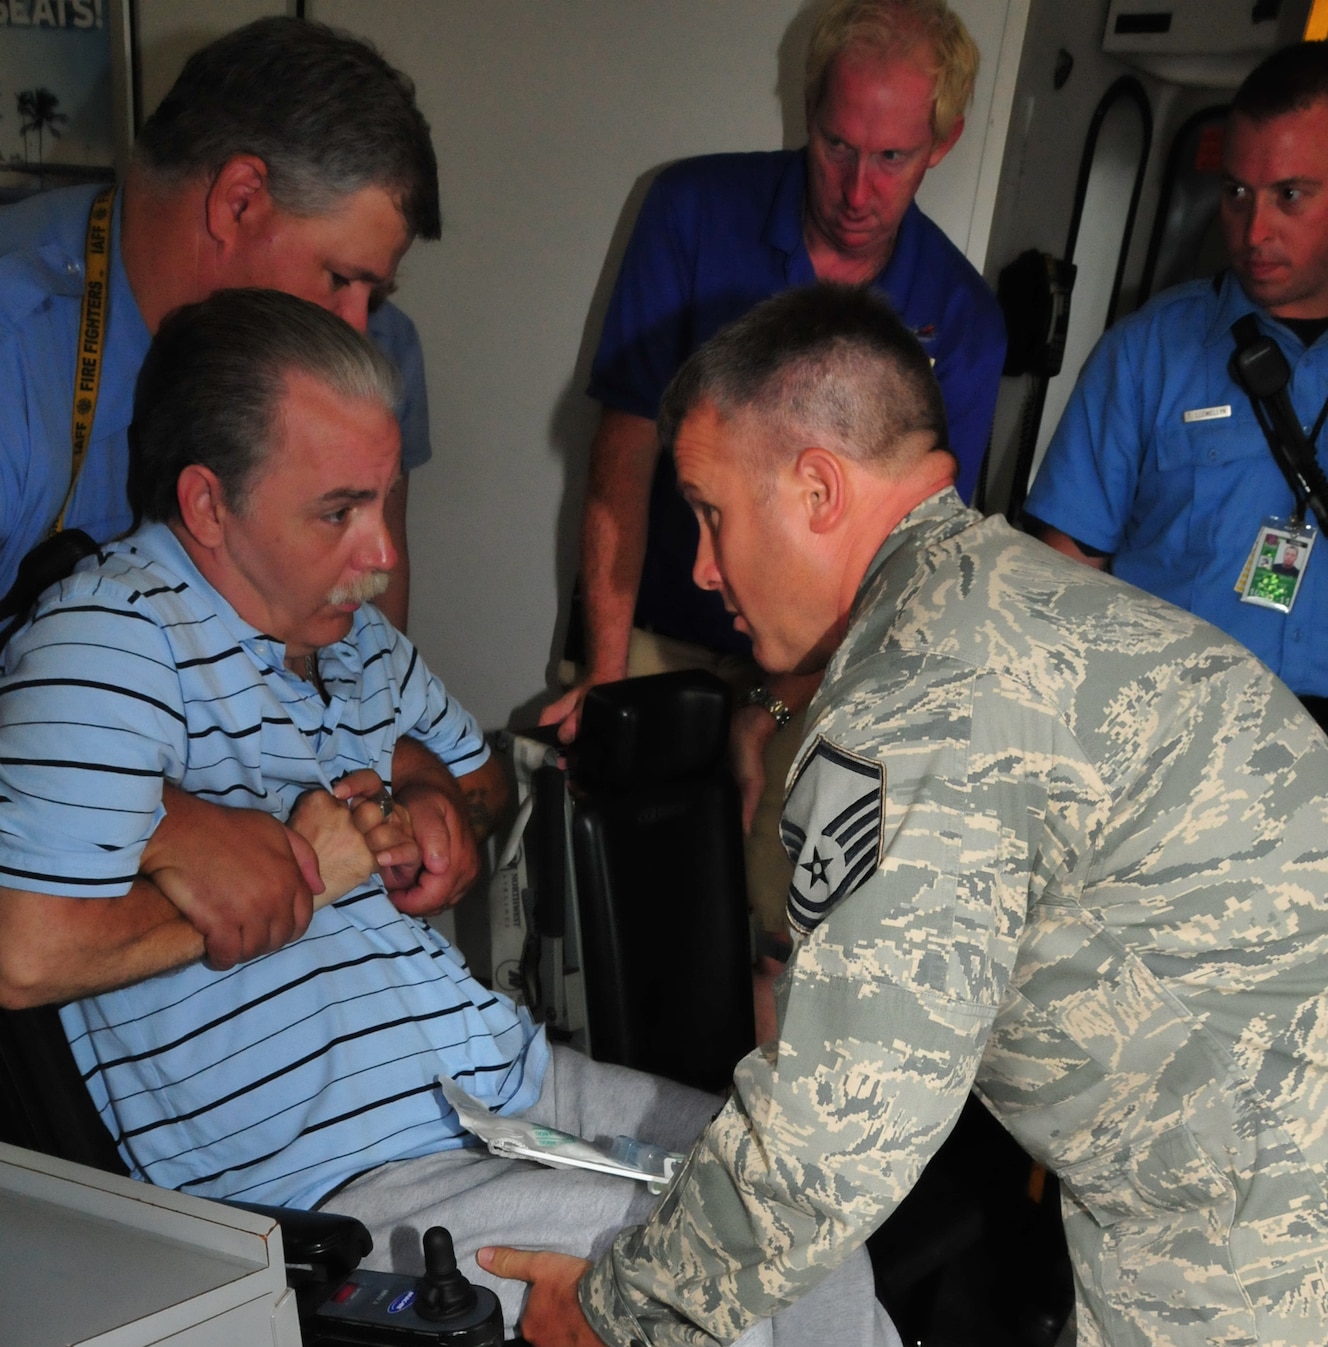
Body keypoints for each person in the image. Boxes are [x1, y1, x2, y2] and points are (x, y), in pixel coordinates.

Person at [0, 288, 1083, 1347]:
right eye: (342, 509)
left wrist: (445, 814)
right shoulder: (101, 649)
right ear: (206, 505)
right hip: (332, 1172)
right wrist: (279, 871)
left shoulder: (336, 637)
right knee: (676, 1269)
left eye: (387, 500)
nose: (384, 552)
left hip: (491, 1081)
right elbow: (22, 948)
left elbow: (474, 775)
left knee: (773, 1165)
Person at [489, 283, 1328, 1347]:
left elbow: (834, 1134)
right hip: (1199, 1132)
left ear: (817, 486)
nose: (704, 573)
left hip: (1267, 1165)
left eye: (713, 519)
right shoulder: (988, 600)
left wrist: (623, 1307)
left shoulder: (916, 704)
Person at [542, 0, 1006, 960]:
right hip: (658, 628)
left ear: (944, 143)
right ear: (808, 107)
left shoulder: (959, 315)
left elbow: (910, 546)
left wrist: (779, 705)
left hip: (820, 671)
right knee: (608, 918)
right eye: (837, 145)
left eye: (892, 159)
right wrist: (607, 669)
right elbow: (623, 448)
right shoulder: (690, 212)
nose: (855, 188)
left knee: (783, 940)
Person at [0, 14, 439, 636]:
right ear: (239, 202)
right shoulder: (14, 350)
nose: (358, 331)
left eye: (378, 291)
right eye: (340, 279)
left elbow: (373, 640)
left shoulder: (378, 351)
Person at [1026, 41, 1328, 708]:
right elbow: (1064, 576)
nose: (1254, 230)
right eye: (1237, 193)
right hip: (1168, 729)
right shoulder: (1146, 354)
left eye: (1290, 196)